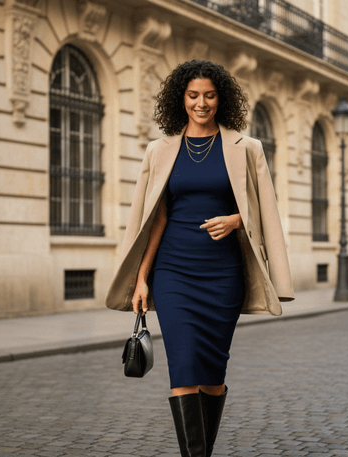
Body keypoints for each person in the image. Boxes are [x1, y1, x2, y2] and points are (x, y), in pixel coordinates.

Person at [105, 60, 294, 457]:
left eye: (209, 95)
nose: (201, 103)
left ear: (220, 98)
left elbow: (266, 209)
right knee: (183, 369)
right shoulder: (160, 150)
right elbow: (154, 217)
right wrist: (142, 278)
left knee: (212, 374)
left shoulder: (248, 148)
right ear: (181, 99)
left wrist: (237, 219)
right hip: (173, 272)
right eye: (193, 95)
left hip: (222, 274)